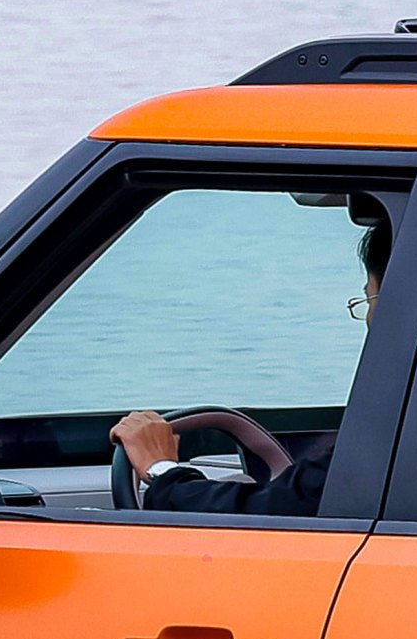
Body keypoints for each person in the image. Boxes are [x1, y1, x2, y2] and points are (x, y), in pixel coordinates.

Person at [105, 198, 391, 516]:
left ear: (401, 300)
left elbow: (285, 510)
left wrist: (163, 472)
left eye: (368, 300)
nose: (369, 321)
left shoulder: (397, 434)